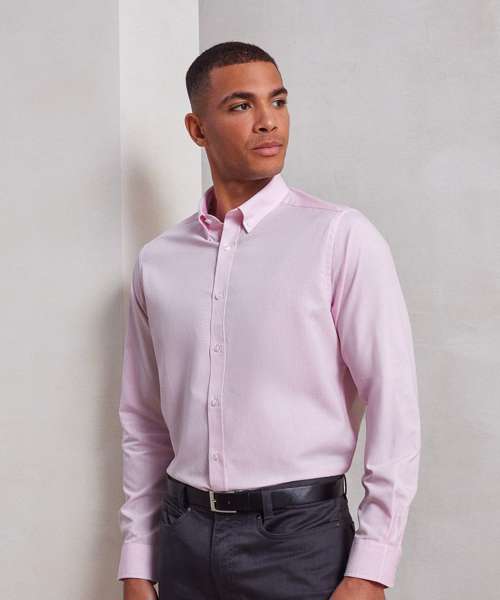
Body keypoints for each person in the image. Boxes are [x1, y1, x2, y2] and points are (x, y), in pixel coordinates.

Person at [116, 41, 421, 600]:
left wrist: (371, 568)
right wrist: (138, 561)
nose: (267, 121)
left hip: (301, 543)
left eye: (277, 101)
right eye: (241, 105)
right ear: (197, 129)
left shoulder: (340, 238)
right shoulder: (158, 261)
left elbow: (393, 403)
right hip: (183, 539)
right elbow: (144, 423)